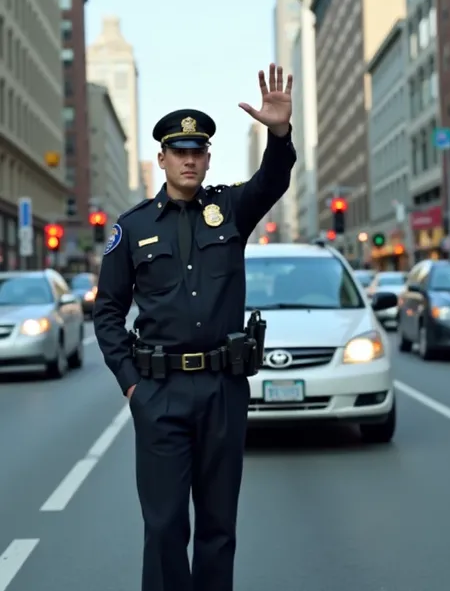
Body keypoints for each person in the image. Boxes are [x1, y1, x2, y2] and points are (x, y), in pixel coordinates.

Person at [93, 63, 297, 591]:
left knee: (217, 528)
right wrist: (131, 384)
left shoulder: (231, 209)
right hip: (158, 394)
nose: (189, 159)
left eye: (198, 151)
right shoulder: (132, 227)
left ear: (207, 158)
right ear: (161, 158)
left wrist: (279, 134)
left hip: (223, 391)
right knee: (163, 528)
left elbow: (274, 179)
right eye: (178, 151)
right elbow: (108, 311)